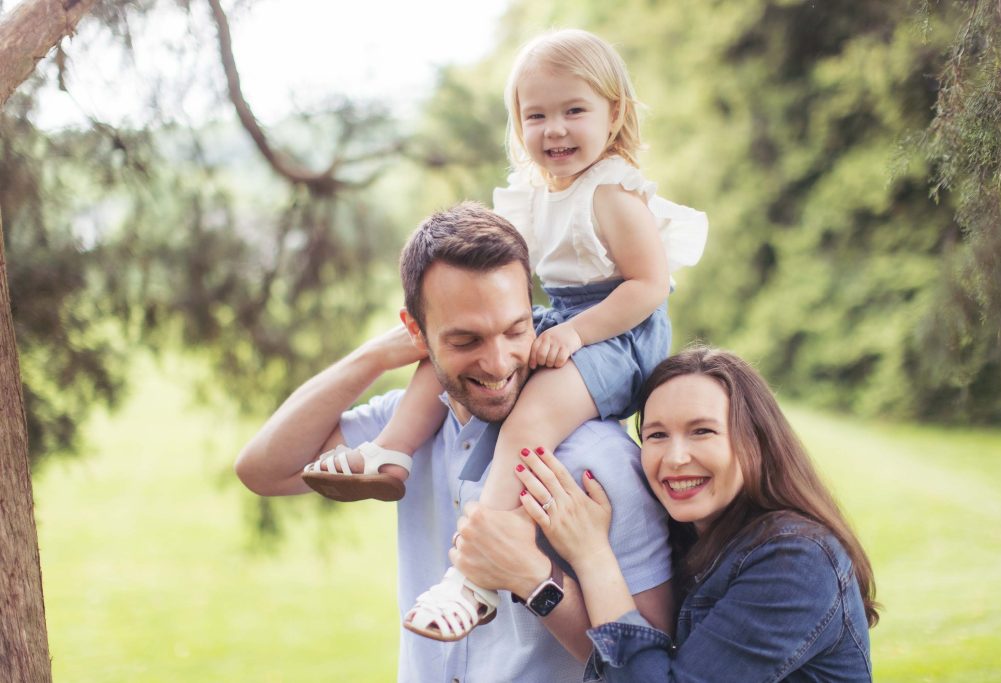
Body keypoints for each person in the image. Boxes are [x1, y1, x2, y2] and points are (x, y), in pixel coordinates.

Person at [300, 27, 708, 641]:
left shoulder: (614, 193)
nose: (555, 130)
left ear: (613, 112)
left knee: (526, 419)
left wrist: (574, 334)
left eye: (574, 110)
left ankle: (473, 577)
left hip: (616, 336)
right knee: (440, 363)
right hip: (566, 321)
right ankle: (391, 449)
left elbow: (649, 287)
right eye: (535, 114)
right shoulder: (540, 194)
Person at [234, 202, 675, 682]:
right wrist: (375, 357)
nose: (498, 363)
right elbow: (265, 469)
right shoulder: (407, 428)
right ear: (416, 333)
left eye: (515, 330)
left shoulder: (602, 461)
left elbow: (648, 662)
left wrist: (537, 582)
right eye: (466, 341)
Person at [475, 346, 878, 682]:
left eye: (702, 431)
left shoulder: (796, 560)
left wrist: (585, 559)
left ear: (754, 440)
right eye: (656, 435)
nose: (676, 457)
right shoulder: (688, 537)